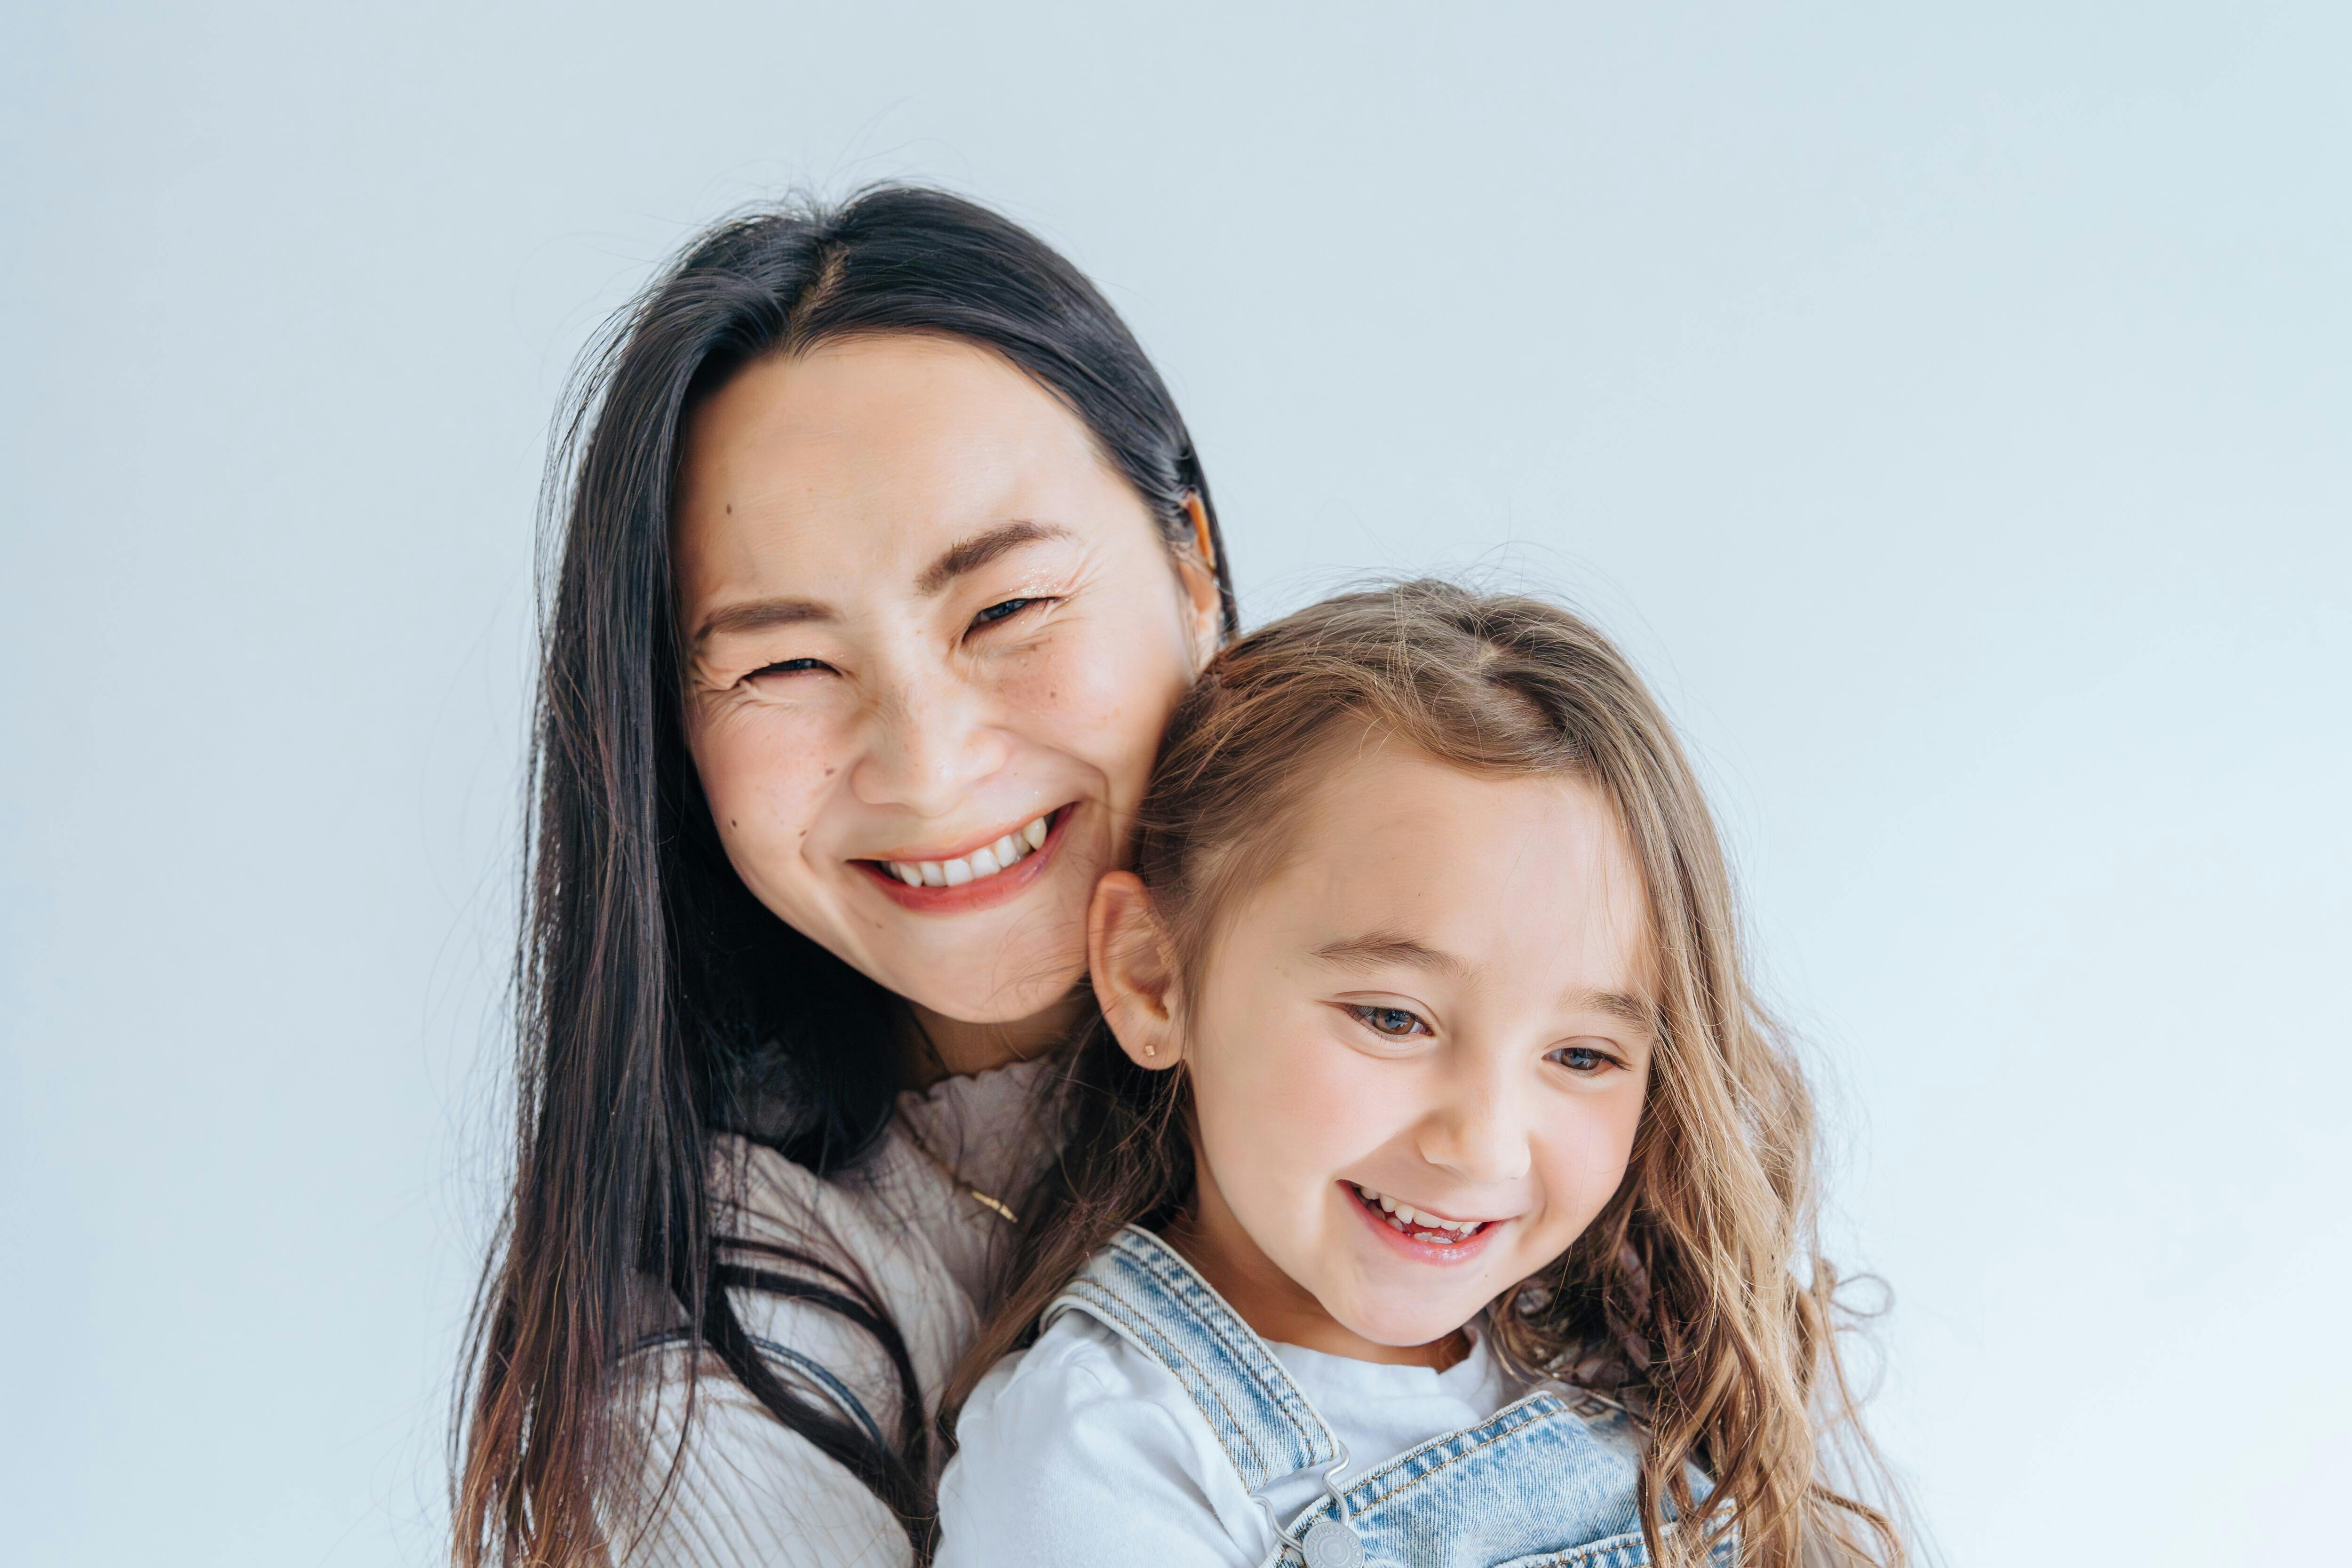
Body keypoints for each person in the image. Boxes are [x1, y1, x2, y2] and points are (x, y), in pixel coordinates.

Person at [453, 186, 1234, 1568]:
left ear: (1193, 568)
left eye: (1006, 608)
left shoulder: (1487, 1022)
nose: (928, 769)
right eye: (787, 664)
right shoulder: (697, 1353)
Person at [937, 583, 1904, 1568]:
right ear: (1155, 978)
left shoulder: (1649, 1354)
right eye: (1393, 1018)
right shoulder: (1098, 1456)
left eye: (1581, 1055)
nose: (1483, 1144)